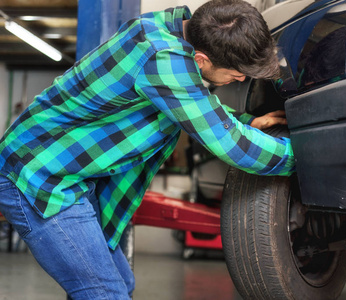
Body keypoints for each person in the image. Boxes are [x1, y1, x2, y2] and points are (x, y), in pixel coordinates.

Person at [0, 0, 295, 298]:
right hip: (36, 174)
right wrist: (304, 156)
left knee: (120, 286)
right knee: (105, 293)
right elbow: (233, 146)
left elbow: (194, 107)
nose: (243, 79)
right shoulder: (161, 57)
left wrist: (246, 121)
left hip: (67, 174)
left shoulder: (170, 34)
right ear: (202, 60)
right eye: (237, 73)